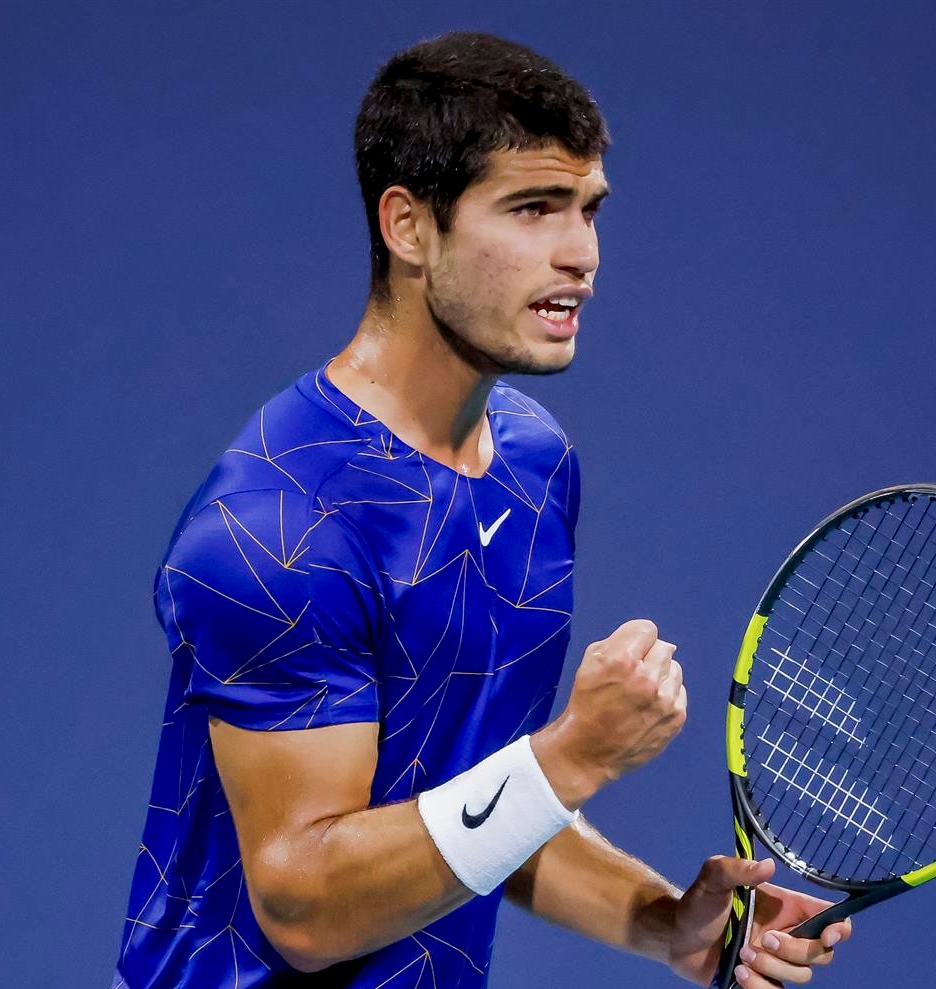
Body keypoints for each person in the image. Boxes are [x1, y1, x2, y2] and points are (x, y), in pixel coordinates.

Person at [114, 31, 851, 989]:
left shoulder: (535, 464)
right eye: (532, 208)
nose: (580, 252)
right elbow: (303, 907)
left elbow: (468, 801)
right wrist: (572, 755)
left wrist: (664, 924)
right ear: (408, 226)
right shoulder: (277, 530)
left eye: (587, 209)